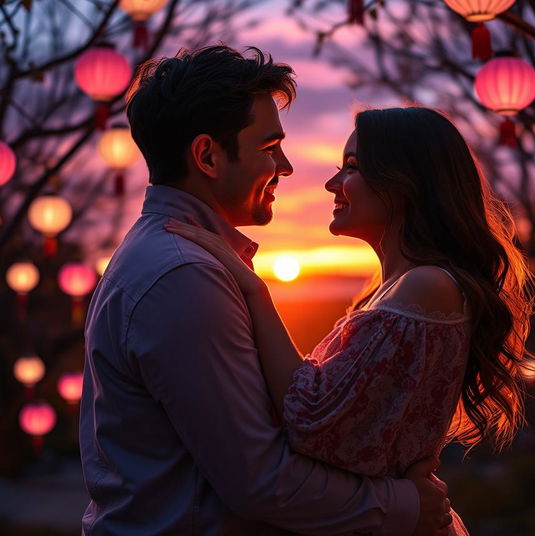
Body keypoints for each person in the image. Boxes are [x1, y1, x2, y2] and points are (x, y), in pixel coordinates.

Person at [79, 45, 452, 535]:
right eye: (268, 146)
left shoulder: (178, 260)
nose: (288, 166)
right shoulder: (183, 277)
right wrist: (404, 506)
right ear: (208, 155)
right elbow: (259, 479)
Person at [166, 106, 535, 536]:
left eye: (352, 168)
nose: (332, 183)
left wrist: (254, 290)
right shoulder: (393, 289)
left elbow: (311, 418)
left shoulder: (426, 287)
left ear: (405, 183)